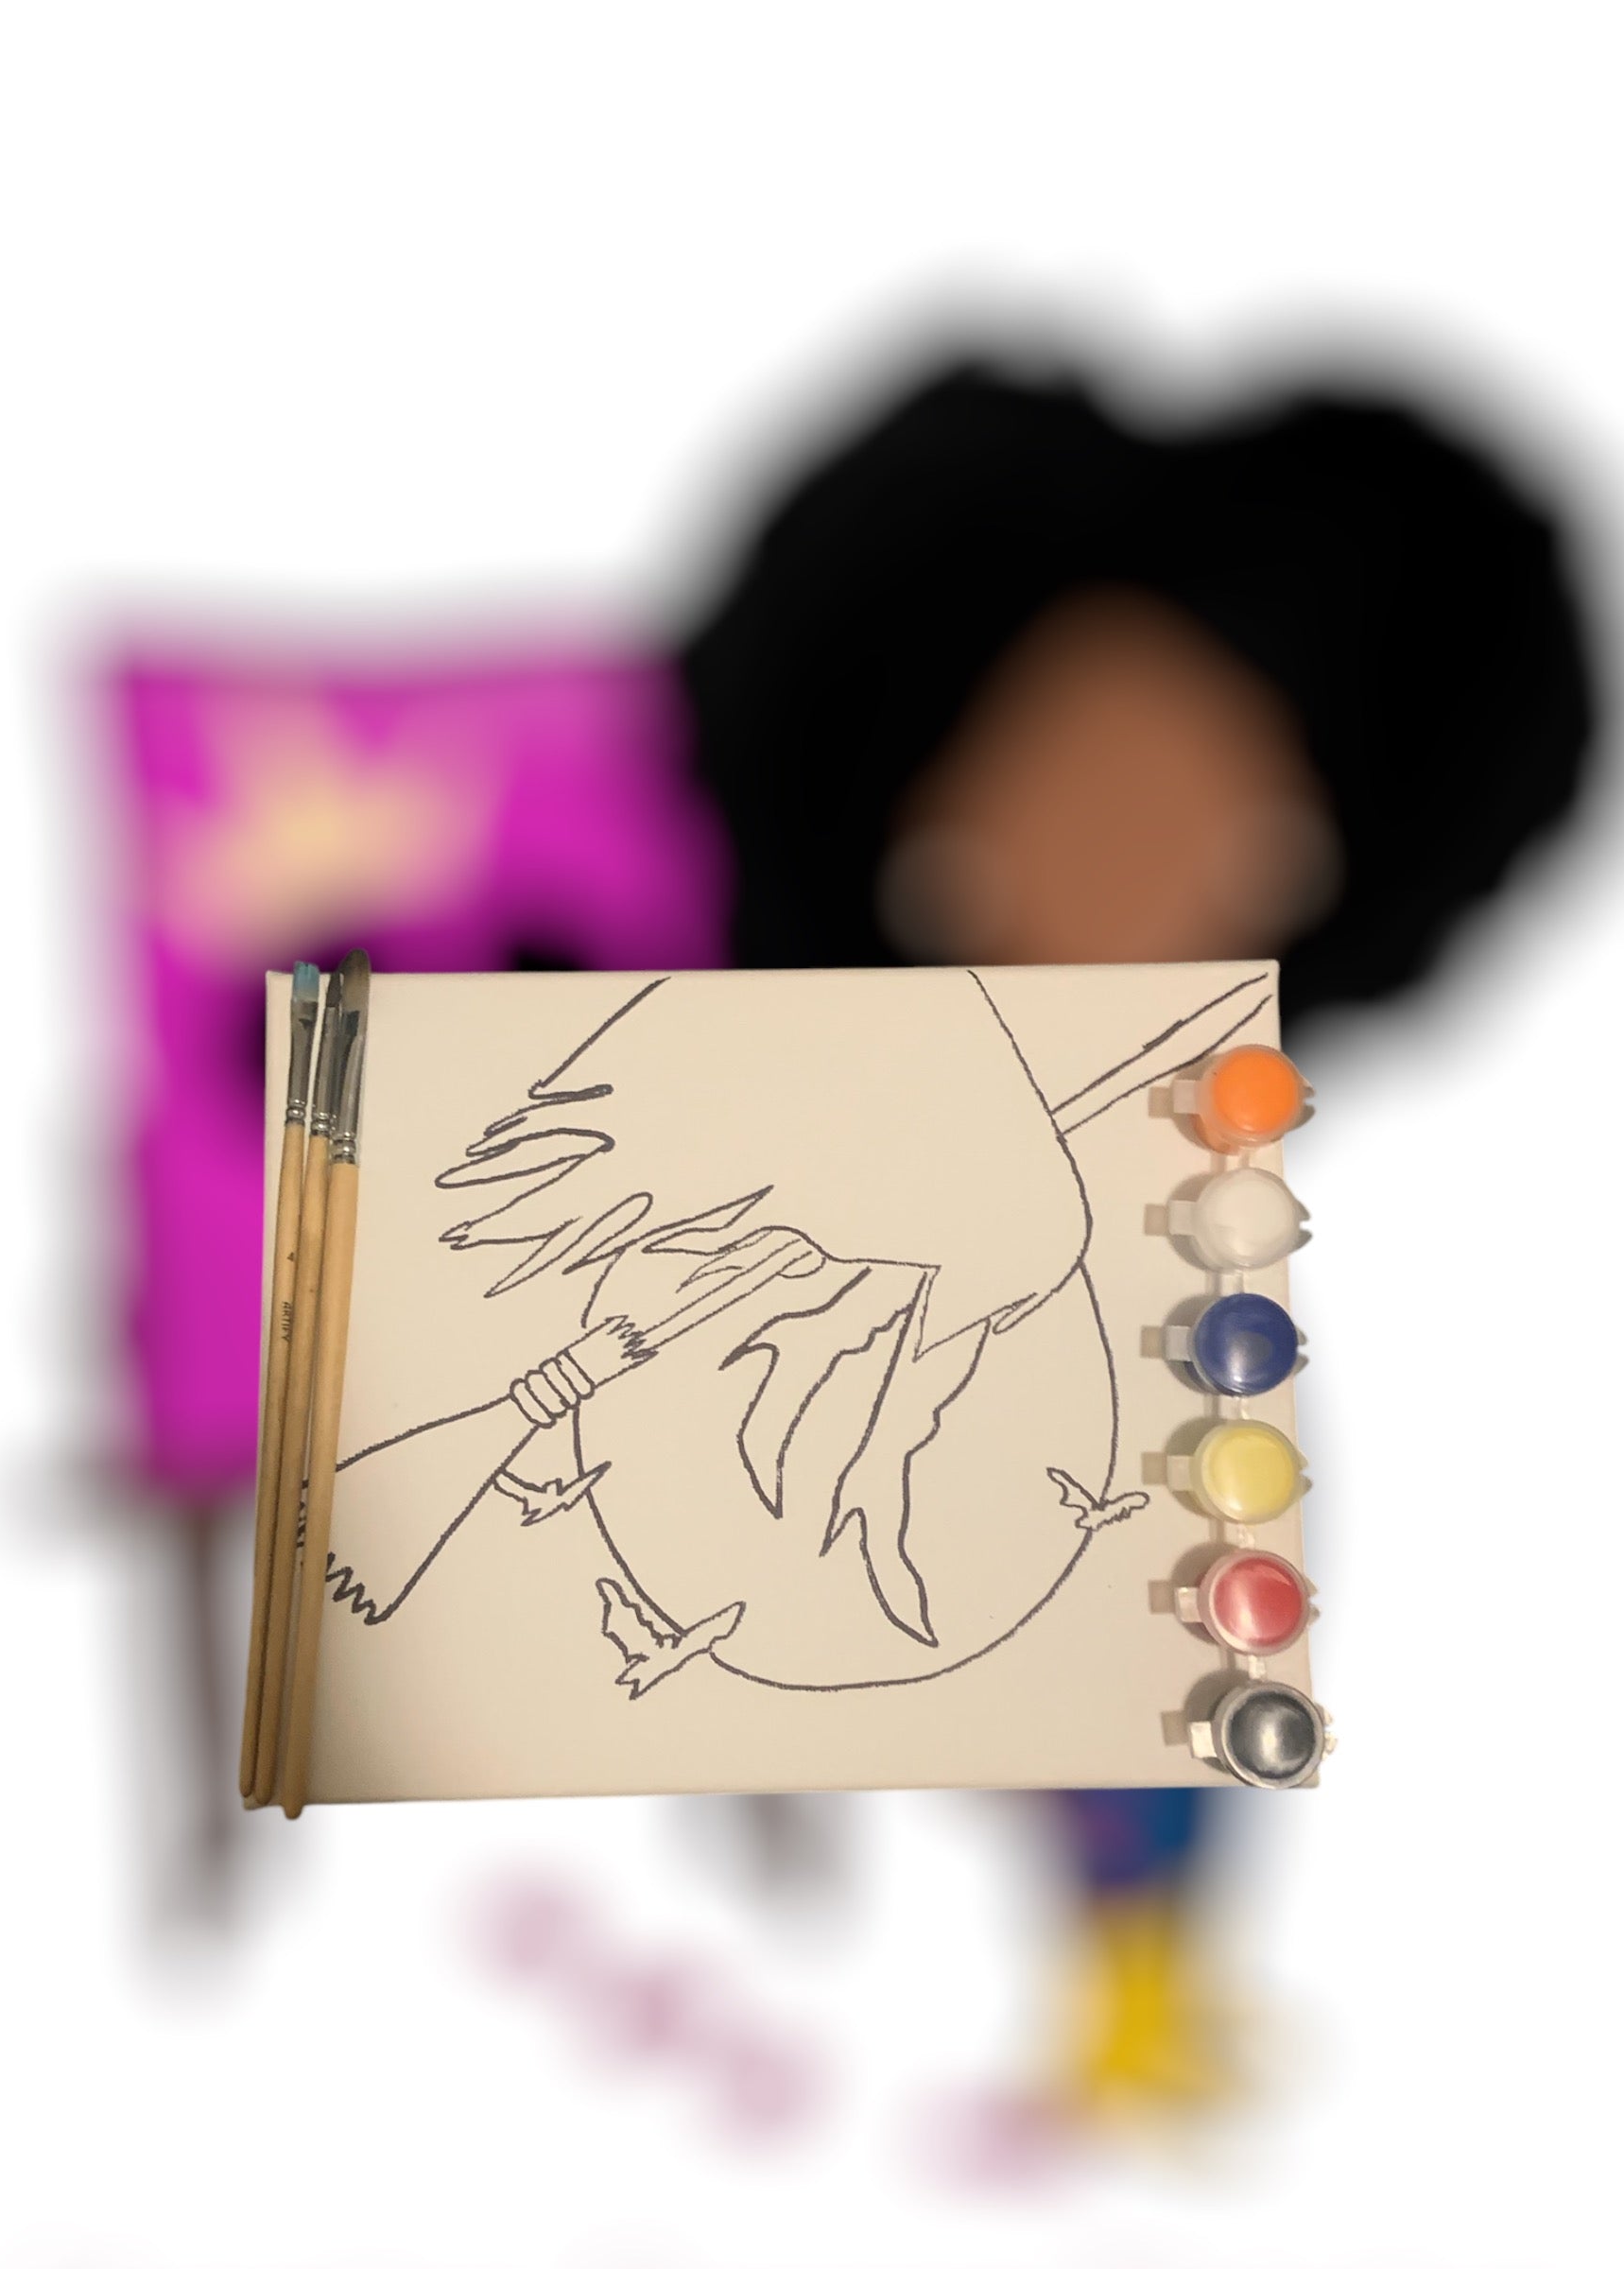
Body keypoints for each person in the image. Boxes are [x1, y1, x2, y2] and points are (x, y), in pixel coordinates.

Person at [676, 353, 1597, 2112]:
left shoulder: (1196, 1219)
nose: (1134, 861)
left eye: (1237, 818)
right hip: (888, 1336)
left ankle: (1137, 1972)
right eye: (1052, 793)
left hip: (1128, 1352)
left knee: (1180, 1594)